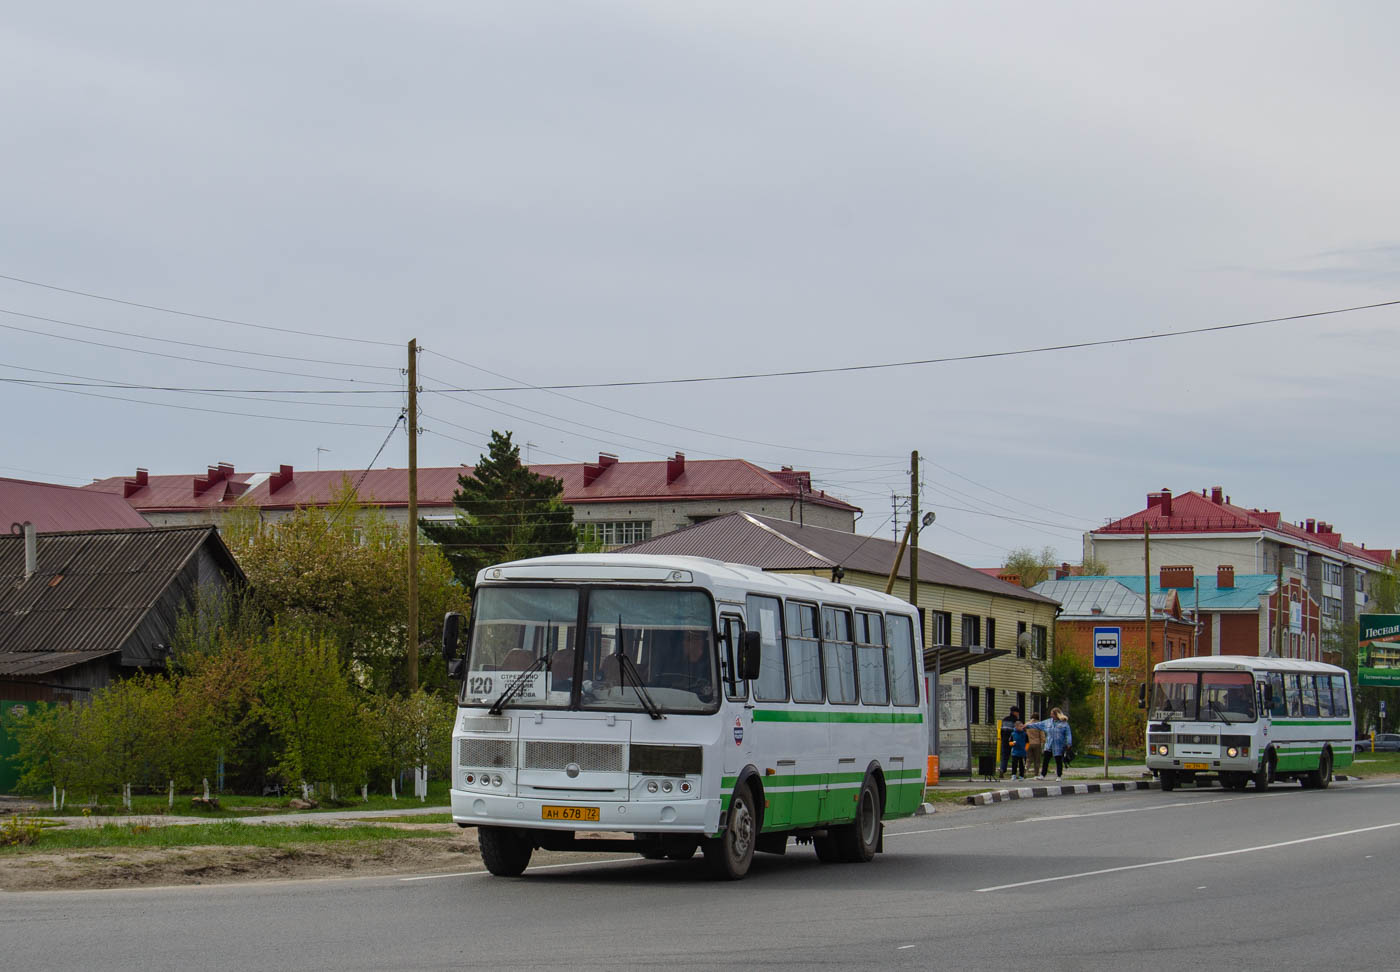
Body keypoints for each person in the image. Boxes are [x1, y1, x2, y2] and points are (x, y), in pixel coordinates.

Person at [1032, 707, 1073, 781]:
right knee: (1046, 760)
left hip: (1059, 745)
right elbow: (1038, 725)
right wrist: (1027, 726)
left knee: (1058, 760)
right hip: (1049, 744)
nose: (1051, 716)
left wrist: (1069, 743)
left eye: (1052, 714)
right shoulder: (1048, 722)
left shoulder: (1064, 724)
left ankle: (1059, 776)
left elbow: (1068, 734)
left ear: (1056, 715)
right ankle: (1042, 775)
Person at [997, 705, 1021, 778]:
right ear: (1015, 712)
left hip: (1004, 740)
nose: (1018, 714)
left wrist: (1003, 738)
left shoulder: (1005, 719)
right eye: (1017, 712)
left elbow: (1001, 730)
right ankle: (1014, 773)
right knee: (1015, 756)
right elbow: (1018, 731)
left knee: (1004, 756)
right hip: (1013, 741)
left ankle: (1002, 769)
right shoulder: (1016, 721)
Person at [1025, 712, 1046, 777]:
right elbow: (1042, 736)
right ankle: (1036, 774)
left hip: (1028, 743)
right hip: (1037, 743)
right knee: (1037, 760)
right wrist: (1043, 743)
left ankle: (1025, 770)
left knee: (1028, 759)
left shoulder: (1027, 724)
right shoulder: (1039, 725)